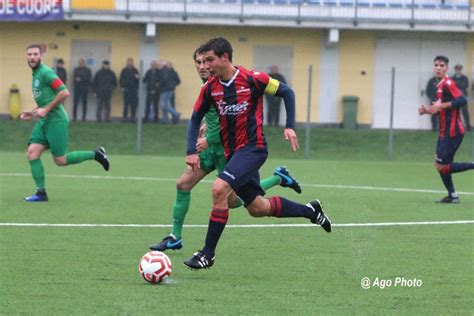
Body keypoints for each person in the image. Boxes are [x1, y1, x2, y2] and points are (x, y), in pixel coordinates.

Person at [182, 37, 331, 270]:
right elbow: (194, 118)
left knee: (218, 189)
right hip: (233, 154)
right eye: (203, 61)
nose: (205, 65)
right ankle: (311, 211)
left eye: (210, 59)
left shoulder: (253, 79)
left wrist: (289, 125)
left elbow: (287, 92)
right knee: (258, 208)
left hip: (253, 148)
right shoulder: (210, 88)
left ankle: (207, 254)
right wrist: (191, 150)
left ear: (225, 58)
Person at [149, 46, 303, 252]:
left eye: (206, 62)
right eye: (198, 63)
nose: (203, 67)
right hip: (210, 149)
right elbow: (212, 115)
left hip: (227, 150)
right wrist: (204, 128)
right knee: (183, 184)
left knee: (234, 201)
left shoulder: (231, 81)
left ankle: (277, 179)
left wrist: (211, 137)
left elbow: (235, 121)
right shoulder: (209, 85)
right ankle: (175, 236)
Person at [20, 44, 110, 202]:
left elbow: (64, 92)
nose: (32, 57)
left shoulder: (46, 73)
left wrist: (45, 110)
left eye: (35, 54)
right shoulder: (35, 74)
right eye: (29, 54)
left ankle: (96, 154)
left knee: (60, 160)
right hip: (45, 120)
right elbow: (46, 100)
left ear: (40, 56)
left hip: (56, 120)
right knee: (32, 152)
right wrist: (33, 112)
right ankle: (41, 193)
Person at [418, 55, 474, 204]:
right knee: (440, 165)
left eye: (441, 65)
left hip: (453, 132)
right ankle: (453, 196)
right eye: (436, 65)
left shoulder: (449, 83)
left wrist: (441, 106)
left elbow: (462, 100)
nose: (438, 67)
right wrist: (426, 110)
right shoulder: (440, 86)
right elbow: (438, 108)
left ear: (447, 68)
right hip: (444, 132)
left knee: (442, 166)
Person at [119, 58, 140, 122]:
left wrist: (138, 78)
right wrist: (122, 87)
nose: (129, 63)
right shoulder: (124, 70)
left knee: (134, 104)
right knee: (126, 104)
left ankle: (133, 117)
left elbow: (138, 80)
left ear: (132, 62)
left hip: (134, 89)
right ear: (127, 62)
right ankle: (124, 117)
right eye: (128, 62)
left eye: (131, 62)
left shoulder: (135, 70)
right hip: (126, 89)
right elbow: (121, 79)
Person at [452, 64, 470, 131]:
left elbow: (465, 85)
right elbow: (452, 87)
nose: (458, 71)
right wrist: (459, 86)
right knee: (455, 113)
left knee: (465, 112)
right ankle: (454, 127)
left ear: (461, 70)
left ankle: (468, 126)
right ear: (455, 70)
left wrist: (457, 86)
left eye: (459, 69)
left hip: (463, 98)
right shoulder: (452, 78)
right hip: (455, 98)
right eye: (457, 69)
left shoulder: (465, 78)